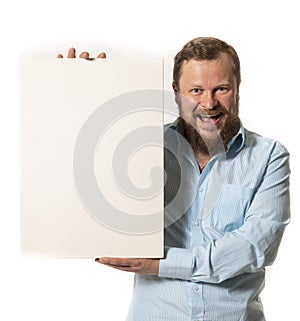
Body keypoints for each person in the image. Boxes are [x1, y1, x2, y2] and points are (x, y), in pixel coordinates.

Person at [59, 37, 290, 320]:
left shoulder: (269, 157)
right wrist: (72, 94)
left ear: (238, 88)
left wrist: (160, 264)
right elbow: (80, 183)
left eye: (221, 89)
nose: (209, 103)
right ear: (176, 93)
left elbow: (254, 249)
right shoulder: (145, 148)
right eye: (196, 90)